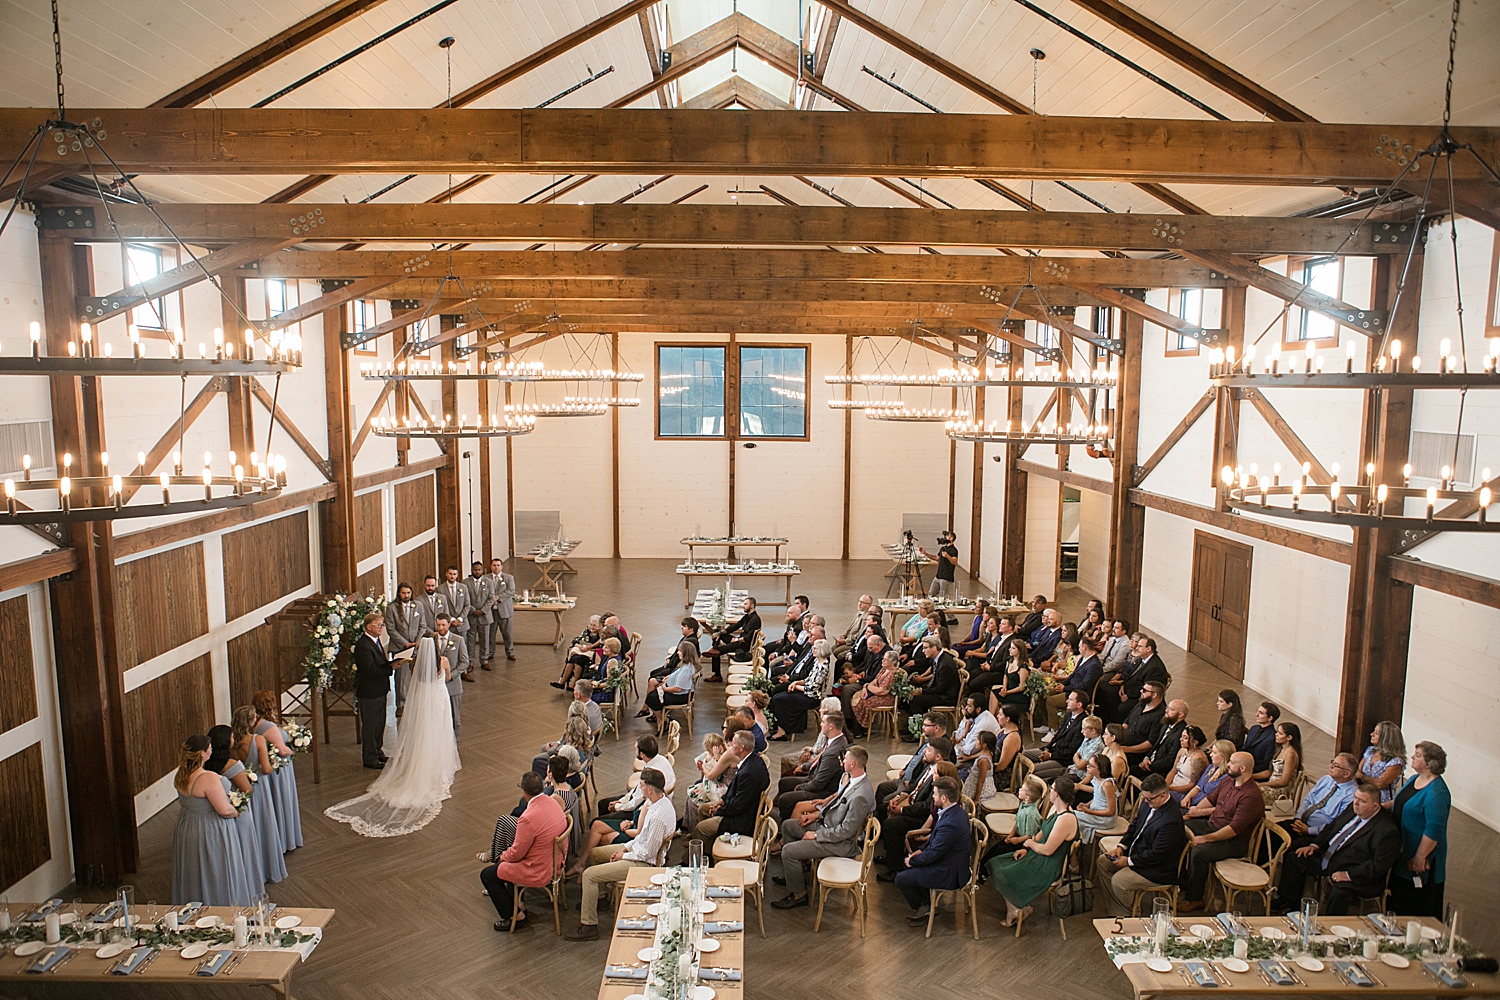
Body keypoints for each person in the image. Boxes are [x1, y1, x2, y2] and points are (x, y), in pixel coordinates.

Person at [325, 637, 462, 837]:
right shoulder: (443, 662)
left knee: (422, 734)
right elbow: (448, 678)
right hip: (439, 701)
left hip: (423, 705)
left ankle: (419, 763)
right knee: (439, 732)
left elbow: (410, 687)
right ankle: (436, 764)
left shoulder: (415, 665)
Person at [563, 768, 676, 939]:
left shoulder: (658, 817)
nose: (640, 787)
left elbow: (648, 854)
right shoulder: (659, 802)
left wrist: (624, 855)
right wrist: (625, 848)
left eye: (642, 785)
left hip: (644, 863)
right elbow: (643, 837)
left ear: (650, 790)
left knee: (588, 875)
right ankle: (599, 898)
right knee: (594, 854)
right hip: (639, 850)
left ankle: (589, 926)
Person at [1274, 779, 1401, 916]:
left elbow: (1378, 865)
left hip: (1354, 871)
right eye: (1355, 798)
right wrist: (1314, 845)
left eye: (1362, 801)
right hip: (1330, 857)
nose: (1356, 804)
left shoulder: (1386, 831)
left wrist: (1348, 875)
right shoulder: (1353, 809)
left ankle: (1332, 926)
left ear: (1375, 806)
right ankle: (1291, 907)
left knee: (1340, 892)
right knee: (1296, 857)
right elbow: (1332, 826)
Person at [772, 746, 876, 909]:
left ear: (853, 763)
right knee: (788, 826)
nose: (842, 762)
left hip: (838, 843)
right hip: (826, 825)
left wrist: (815, 835)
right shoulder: (852, 779)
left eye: (845, 759)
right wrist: (816, 815)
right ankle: (797, 871)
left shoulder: (860, 796)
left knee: (788, 851)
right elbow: (835, 804)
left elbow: (846, 831)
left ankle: (799, 894)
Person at [171, 734, 255, 906]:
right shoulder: (207, 778)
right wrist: (237, 810)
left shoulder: (181, 774)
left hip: (187, 826)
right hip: (210, 828)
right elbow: (223, 810)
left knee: (194, 868)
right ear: (202, 753)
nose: (212, 749)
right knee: (215, 867)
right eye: (209, 747)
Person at [480, 771, 568, 932]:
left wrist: (502, 857)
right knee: (506, 862)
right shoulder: (553, 802)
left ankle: (515, 916)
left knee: (488, 875)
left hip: (538, 869)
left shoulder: (528, 817)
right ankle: (517, 902)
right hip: (555, 860)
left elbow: (516, 854)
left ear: (524, 792)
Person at [1178, 751, 1265, 912]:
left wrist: (1206, 838)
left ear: (1242, 768)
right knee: (1178, 829)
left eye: (1231, 763)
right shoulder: (1228, 781)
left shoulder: (1250, 796)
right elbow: (1210, 799)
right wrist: (1189, 815)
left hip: (1233, 842)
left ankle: (1195, 898)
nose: (1228, 765)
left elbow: (1233, 829)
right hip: (1213, 824)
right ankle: (1184, 878)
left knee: (1199, 852)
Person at [987, 776, 1079, 927]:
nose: (1049, 791)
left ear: (1057, 794)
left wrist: (1029, 843)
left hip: (1047, 864)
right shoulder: (1057, 809)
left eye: (1052, 789)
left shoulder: (1066, 819)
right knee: (996, 863)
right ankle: (1015, 909)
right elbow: (1043, 832)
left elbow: (1048, 850)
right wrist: (1026, 847)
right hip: (1037, 854)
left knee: (1002, 871)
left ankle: (1016, 910)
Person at [1097, 773, 1187, 916]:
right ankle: (1116, 907)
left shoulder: (1171, 821)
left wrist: (1128, 861)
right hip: (1139, 852)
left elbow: (1157, 855)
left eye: (1149, 799)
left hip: (1158, 868)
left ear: (1162, 796)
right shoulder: (1149, 803)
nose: (1145, 801)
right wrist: (1121, 846)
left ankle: (1128, 914)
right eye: (1144, 797)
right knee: (1103, 862)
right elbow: (1134, 826)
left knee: (1119, 881)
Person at [893, 775, 970, 924]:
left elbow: (934, 854)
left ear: (944, 798)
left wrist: (914, 859)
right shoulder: (955, 811)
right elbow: (934, 844)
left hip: (949, 871)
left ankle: (925, 907)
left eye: (935, 794)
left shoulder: (950, 823)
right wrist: (919, 852)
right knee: (905, 863)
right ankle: (927, 901)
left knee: (901, 878)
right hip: (945, 859)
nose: (933, 797)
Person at [1388, 741, 1450, 917]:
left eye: (1418, 755)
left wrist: (1419, 857)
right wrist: (1379, 806)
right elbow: (1402, 802)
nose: (1412, 757)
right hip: (1404, 850)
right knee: (1398, 899)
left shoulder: (1437, 793)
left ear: (1430, 764)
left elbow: (1433, 829)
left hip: (1421, 857)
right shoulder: (1415, 779)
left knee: (1415, 905)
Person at [207, 724, 267, 898]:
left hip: (216, 813)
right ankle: (247, 883)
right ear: (227, 741)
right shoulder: (231, 764)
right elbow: (247, 789)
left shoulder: (207, 765)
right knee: (243, 848)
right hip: (236, 811)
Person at [229, 708, 285, 884]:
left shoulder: (232, 745)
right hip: (259, 787)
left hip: (239, 786)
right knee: (264, 822)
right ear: (252, 721)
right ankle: (267, 864)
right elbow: (267, 768)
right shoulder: (257, 740)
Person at [690, 730, 768, 842]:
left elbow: (738, 806)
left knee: (700, 829)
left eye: (733, 743)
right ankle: (711, 843)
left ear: (741, 748)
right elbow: (735, 789)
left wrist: (720, 810)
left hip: (742, 819)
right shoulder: (753, 759)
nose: (730, 745)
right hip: (739, 806)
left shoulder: (748, 773)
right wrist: (722, 801)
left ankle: (702, 854)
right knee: (703, 809)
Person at [250, 690, 302, 853]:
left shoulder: (256, 723)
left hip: (270, 769)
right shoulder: (269, 726)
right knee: (283, 800)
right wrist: (294, 749)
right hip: (279, 772)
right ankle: (286, 838)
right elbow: (282, 750)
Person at [776, 711, 848, 817]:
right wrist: (804, 766)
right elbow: (820, 765)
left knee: (785, 799)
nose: (821, 724)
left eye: (823, 722)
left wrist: (801, 787)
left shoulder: (832, 753)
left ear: (831, 726)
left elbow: (818, 784)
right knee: (784, 782)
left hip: (823, 791)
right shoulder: (835, 741)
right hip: (815, 778)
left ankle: (787, 823)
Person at [351, 611, 394, 769]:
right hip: (369, 692)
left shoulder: (375, 641)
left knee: (380, 723)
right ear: (369, 627)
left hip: (379, 690)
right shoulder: (363, 645)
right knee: (370, 725)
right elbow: (369, 670)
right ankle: (370, 757)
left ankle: (378, 751)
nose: (382, 628)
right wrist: (391, 668)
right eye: (379, 625)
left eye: (382, 625)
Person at [769, 639, 835, 738]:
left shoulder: (823, 667)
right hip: (806, 692)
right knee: (777, 696)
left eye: (815, 649)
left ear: (821, 650)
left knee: (779, 699)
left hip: (812, 697)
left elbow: (811, 688)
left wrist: (795, 686)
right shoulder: (817, 662)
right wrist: (796, 682)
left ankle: (782, 731)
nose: (813, 650)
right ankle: (781, 727)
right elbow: (808, 679)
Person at [900, 635, 960, 734]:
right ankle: (912, 725)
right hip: (938, 690)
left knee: (915, 700)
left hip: (946, 697)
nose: (923, 651)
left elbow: (941, 689)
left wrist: (921, 691)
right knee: (909, 695)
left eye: (925, 648)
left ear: (934, 648)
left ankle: (919, 731)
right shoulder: (936, 658)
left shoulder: (945, 665)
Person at [1291, 753, 1359, 837]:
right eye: (1332, 762)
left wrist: (1309, 831)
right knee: (1272, 833)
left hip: (1319, 834)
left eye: (1335, 765)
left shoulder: (1352, 795)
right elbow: (1308, 800)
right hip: (1300, 823)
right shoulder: (1326, 779)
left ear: (1346, 774)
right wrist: (1298, 818)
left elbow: (1337, 824)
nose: (1330, 766)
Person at [385, 582, 425, 714]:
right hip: (400, 647)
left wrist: (417, 641)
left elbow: (422, 625)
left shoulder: (418, 605)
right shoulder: (392, 608)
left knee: (418, 674)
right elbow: (390, 629)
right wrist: (405, 643)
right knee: (400, 677)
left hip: (416, 646)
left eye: (408, 593)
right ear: (399, 594)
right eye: (403, 593)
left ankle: (417, 702)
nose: (406, 595)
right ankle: (400, 704)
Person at [1032, 690, 1088, 780]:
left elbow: (1071, 751)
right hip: (1052, 750)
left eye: (1070, 700)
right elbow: (1058, 734)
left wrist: (1050, 756)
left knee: (1032, 770)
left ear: (1079, 704)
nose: (1067, 701)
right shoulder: (1068, 715)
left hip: (1061, 759)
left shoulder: (1082, 724)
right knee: (1023, 755)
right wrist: (1047, 748)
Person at [846, 647, 900, 738]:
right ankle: (857, 729)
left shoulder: (893, 673)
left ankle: (859, 730)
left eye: (885, 660)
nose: (882, 661)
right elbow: (875, 681)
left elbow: (882, 691)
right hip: (875, 692)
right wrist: (865, 687)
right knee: (858, 698)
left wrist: (867, 686)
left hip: (887, 698)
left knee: (862, 702)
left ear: (892, 663)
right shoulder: (884, 669)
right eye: (883, 658)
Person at [1046, 635, 1102, 721]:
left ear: (1085, 648)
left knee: (1051, 702)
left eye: (1079, 647)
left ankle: (1054, 729)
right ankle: (1045, 723)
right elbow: (1073, 674)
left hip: (1080, 694)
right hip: (1070, 687)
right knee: (1045, 693)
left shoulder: (1094, 665)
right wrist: (1062, 684)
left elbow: (1084, 685)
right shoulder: (1083, 658)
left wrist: (1065, 688)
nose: (1078, 649)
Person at [431, 613, 469, 738]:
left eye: (443, 625)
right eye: (438, 625)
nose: (441, 628)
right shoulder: (431, 640)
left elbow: (464, 662)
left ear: (448, 624)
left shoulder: (458, 640)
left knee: (454, 717)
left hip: (453, 686)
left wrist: (450, 675)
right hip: (435, 685)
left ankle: (454, 743)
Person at [706, 596, 762, 681]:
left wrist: (736, 640)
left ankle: (717, 674)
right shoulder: (747, 616)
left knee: (717, 651)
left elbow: (748, 638)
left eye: (746, 604)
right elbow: (736, 626)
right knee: (715, 632)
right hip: (738, 641)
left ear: (752, 606)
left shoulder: (755, 620)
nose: (743, 606)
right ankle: (715, 648)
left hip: (743, 646)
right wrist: (720, 633)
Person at [1118, 680, 1168, 769]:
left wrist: (1128, 749)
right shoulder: (1140, 704)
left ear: (1154, 695)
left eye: (1144, 690)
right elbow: (1127, 722)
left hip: (1135, 753)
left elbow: (1150, 744)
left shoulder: (1159, 716)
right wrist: (1117, 736)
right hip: (1124, 743)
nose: (1141, 691)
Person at [1360, 720, 1407, 806]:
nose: (1371, 734)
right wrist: (1374, 780)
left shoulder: (1395, 762)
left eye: (1376, 733)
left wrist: (1363, 776)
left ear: (1386, 738)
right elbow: (1357, 773)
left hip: (1380, 801)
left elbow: (1381, 784)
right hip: (1362, 793)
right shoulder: (1370, 751)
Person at [1074, 754, 1119, 843]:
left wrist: (1088, 811)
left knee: (1071, 816)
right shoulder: (1096, 778)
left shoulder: (1107, 784)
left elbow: (1111, 811)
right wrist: (1087, 805)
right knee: (1071, 815)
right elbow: (1098, 797)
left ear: (1099, 770)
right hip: (1096, 811)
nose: (1087, 766)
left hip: (1104, 818)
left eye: (1091, 766)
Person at [1182, 739, 1236, 808]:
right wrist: (1187, 797)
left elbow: (1214, 801)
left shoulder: (1227, 777)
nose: (1210, 755)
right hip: (1193, 799)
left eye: (1214, 752)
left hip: (1201, 807)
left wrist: (1195, 810)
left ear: (1224, 755)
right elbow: (1198, 787)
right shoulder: (1211, 767)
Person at [484, 556, 518, 662]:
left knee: (507, 633)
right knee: (490, 633)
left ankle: (510, 652)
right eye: (494, 565)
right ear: (491, 566)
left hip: (504, 610)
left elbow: (511, 590)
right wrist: (490, 599)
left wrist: (497, 598)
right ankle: (490, 653)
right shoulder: (485, 578)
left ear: (502, 567)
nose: (496, 568)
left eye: (498, 565)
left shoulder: (508, 578)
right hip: (490, 611)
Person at [1260, 722, 1302, 804]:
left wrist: (1261, 784)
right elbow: (1269, 772)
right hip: (1271, 785)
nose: (1276, 735)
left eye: (1280, 733)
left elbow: (1283, 781)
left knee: (1248, 792)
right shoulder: (1280, 749)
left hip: (1279, 791)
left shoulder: (1290, 754)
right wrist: (1250, 775)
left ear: (1289, 737)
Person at [463, 560, 494, 668]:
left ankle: (484, 661)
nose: (477, 572)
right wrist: (473, 610)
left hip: (484, 616)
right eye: (475, 570)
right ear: (472, 570)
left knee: (485, 640)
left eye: (479, 570)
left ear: (482, 570)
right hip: (471, 616)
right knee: (470, 641)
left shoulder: (489, 582)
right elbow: (464, 599)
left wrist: (482, 610)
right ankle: (470, 662)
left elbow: (491, 598)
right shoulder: (465, 583)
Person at [1165, 726, 1209, 803]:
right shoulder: (1182, 750)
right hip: (1172, 786)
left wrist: (1171, 789)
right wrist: (1165, 785)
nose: (1180, 739)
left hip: (1183, 793)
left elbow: (1193, 785)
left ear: (1195, 742)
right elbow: (1174, 771)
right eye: (1181, 736)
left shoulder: (1198, 758)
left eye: (1185, 738)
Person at [1242, 701, 1281, 775]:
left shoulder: (1272, 737)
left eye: (1261, 713)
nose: (1256, 714)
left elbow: (1265, 764)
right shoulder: (1254, 728)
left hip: (1253, 771)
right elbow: (1245, 748)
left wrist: (1247, 769)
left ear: (1270, 718)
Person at [962, 730, 998, 803]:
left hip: (980, 790)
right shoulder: (988, 753)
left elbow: (981, 780)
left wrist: (976, 799)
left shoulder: (983, 761)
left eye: (978, 740)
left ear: (984, 745)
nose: (976, 741)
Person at [922, 529, 959, 599]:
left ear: (952, 538)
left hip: (946, 577)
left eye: (948, 536)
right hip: (938, 576)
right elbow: (936, 558)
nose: (946, 537)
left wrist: (947, 556)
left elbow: (955, 562)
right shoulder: (943, 548)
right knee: (930, 594)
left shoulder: (954, 550)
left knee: (943, 597)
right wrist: (926, 554)